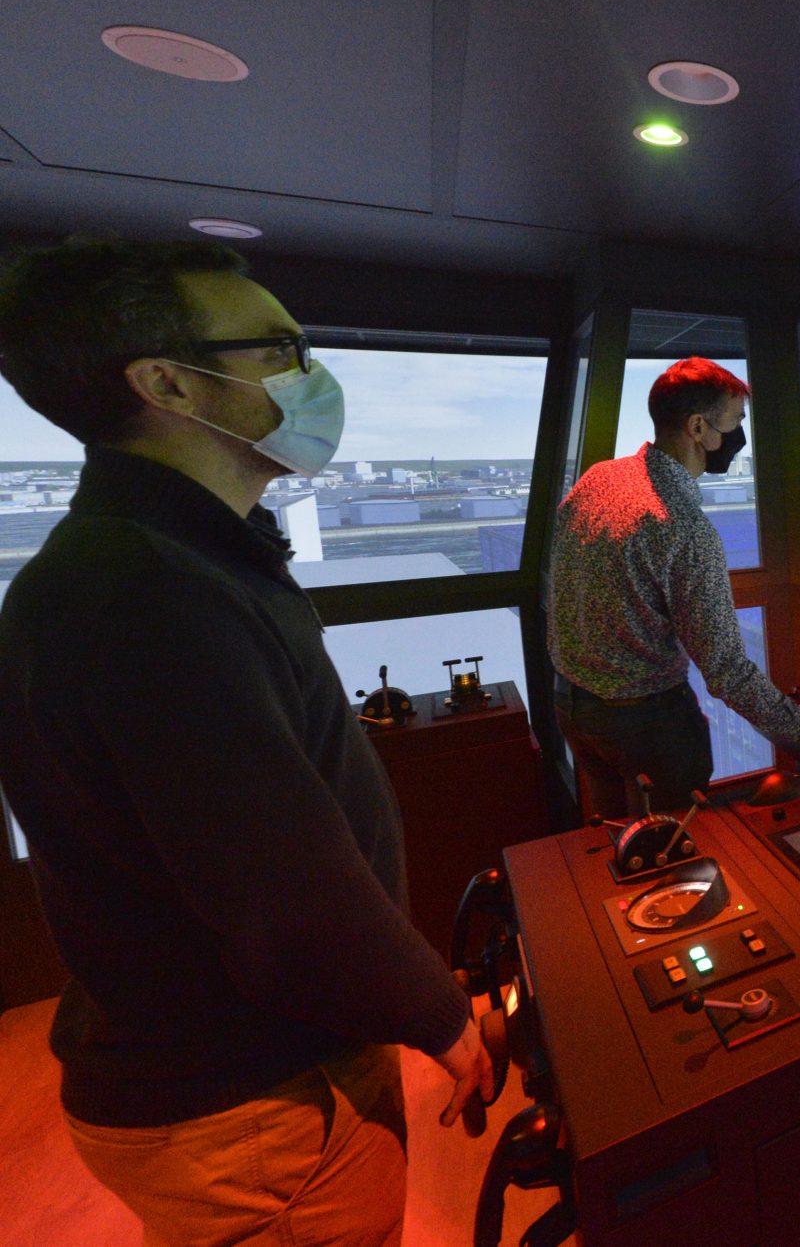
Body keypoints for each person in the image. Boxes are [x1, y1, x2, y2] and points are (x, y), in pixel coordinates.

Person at [0, 237, 494, 1247]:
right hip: (256, 1102)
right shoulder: (146, 594)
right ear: (169, 383)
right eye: (279, 347)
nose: (311, 375)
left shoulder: (147, 562)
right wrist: (446, 1019)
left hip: (240, 1075)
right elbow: (285, 898)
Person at [549, 356, 800, 819]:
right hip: (645, 726)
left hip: (575, 708)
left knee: (620, 845)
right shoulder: (681, 526)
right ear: (698, 427)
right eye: (736, 421)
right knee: (672, 851)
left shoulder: (599, 478)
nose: (740, 437)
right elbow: (724, 669)